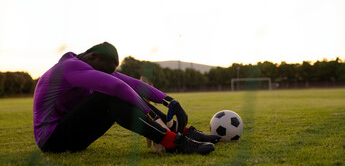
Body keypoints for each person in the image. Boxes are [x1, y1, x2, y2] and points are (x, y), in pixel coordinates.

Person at [33, 42, 220, 155]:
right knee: (109, 96)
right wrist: (151, 116)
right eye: (106, 71)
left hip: (73, 138)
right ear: (93, 56)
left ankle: (182, 132)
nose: (108, 75)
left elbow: (131, 83)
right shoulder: (70, 67)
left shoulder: (88, 65)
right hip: (52, 141)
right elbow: (117, 86)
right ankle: (173, 142)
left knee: (120, 92)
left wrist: (169, 100)